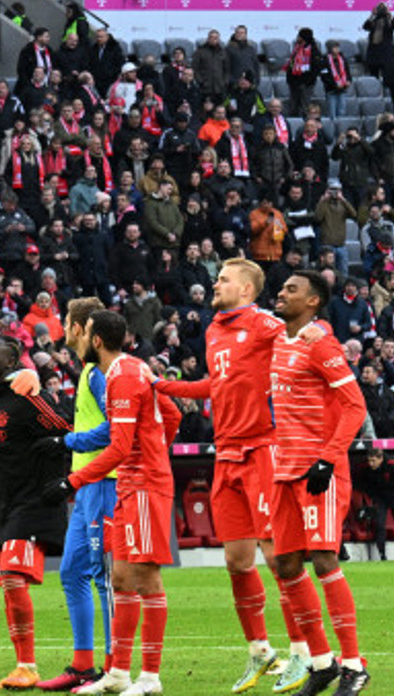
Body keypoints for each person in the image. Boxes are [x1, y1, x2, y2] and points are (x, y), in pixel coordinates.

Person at [154, 259, 317, 692]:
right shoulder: (213, 330)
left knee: (278, 556)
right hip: (225, 455)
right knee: (236, 561)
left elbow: (302, 340)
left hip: (263, 449)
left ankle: (305, 653)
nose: (215, 283)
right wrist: (165, 386)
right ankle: (261, 651)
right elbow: (217, 382)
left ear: (246, 288)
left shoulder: (264, 322)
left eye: (223, 279)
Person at [42, 310, 180, 696]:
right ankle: (116, 671)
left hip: (127, 483)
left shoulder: (116, 375)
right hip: (118, 483)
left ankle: (148, 676)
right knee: (114, 578)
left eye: (80, 329)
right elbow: (166, 415)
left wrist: (72, 466)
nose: (75, 335)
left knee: (141, 579)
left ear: (94, 338)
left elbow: (121, 439)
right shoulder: (115, 370)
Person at [269, 272, 371, 696]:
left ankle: (353, 665)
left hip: (318, 471)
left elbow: (355, 406)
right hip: (283, 470)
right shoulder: (279, 340)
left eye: (291, 289)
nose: (281, 293)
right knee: (287, 566)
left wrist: (329, 460)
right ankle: (322, 661)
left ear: (313, 301)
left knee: (325, 560)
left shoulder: (321, 344)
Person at [0, 336, 72, 690]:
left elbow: (66, 427)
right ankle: (22, 667)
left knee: (14, 580)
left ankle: (28, 666)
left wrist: (33, 384)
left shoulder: (28, 394)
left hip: (33, 503)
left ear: (13, 358)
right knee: (7, 585)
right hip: (2, 505)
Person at [37, 297, 117, 692]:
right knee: (71, 571)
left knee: (103, 576)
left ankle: (112, 667)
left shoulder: (98, 374)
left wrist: (66, 439)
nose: (63, 329)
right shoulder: (88, 371)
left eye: (67, 322)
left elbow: (115, 428)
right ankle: (83, 665)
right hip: (88, 484)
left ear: (82, 328)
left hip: (105, 482)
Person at [355, 449, 394, 561]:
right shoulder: (365, 468)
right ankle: (382, 555)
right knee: (379, 525)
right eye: (369, 461)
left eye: (373, 461)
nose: (371, 464)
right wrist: (372, 495)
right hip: (380, 498)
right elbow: (359, 481)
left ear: (381, 458)